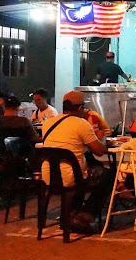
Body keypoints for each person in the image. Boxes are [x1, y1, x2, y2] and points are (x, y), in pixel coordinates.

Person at [41, 91, 111, 233]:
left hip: (48, 176)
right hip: (71, 177)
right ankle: (84, 216)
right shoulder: (81, 123)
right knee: (108, 175)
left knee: (83, 167)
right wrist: (101, 136)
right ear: (80, 108)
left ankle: (70, 214)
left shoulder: (47, 123)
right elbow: (99, 151)